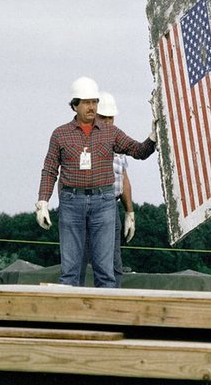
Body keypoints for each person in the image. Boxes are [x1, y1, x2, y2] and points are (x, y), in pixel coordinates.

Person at [35, 76, 155, 288]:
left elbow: (137, 150)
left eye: (94, 102)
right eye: (86, 102)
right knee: (70, 270)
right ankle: (70, 320)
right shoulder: (60, 135)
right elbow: (50, 169)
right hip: (71, 202)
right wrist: (42, 201)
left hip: (104, 202)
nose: (92, 107)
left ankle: (103, 321)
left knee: (105, 270)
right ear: (74, 105)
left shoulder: (110, 132)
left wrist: (153, 138)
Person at [79, 92, 135, 288]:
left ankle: (112, 304)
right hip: (88, 205)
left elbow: (123, 178)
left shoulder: (117, 142)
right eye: (104, 117)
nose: (109, 122)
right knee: (81, 260)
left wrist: (130, 212)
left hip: (112, 206)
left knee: (113, 263)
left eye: (111, 117)